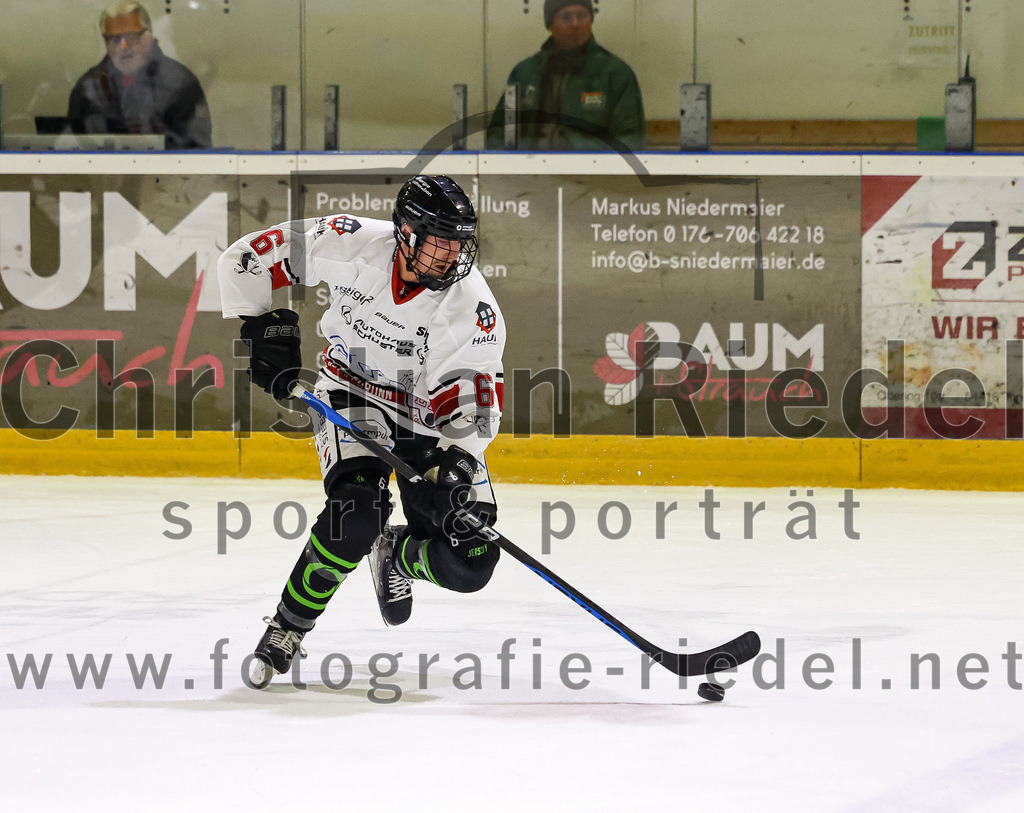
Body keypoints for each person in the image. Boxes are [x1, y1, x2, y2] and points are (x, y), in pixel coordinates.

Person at [217, 176, 506, 689]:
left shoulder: (472, 307)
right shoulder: (349, 243)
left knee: (472, 559)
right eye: (439, 241)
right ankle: (288, 626)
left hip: (425, 418)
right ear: (405, 234)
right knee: (356, 512)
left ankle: (397, 555)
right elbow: (245, 259)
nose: (451, 256)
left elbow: (470, 405)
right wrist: (262, 326)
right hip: (353, 393)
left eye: (459, 243)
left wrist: (455, 462)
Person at [485, 0, 645, 151]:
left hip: (592, 177)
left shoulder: (616, 74)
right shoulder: (525, 72)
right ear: (550, 25)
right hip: (531, 176)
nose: (575, 24)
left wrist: (586, 159)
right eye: (566, 17)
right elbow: (498, 136)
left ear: (591, 20)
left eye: (581, 16)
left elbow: (631, 142)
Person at [67, 2, 212, 149]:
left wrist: (154, 146)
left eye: (130, 37)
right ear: (106, 42)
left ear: (148, 36)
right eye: (115, 39)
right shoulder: (88, 87)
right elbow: (79, 147)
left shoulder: (181, 83)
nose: (123, 47)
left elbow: (196, 147)